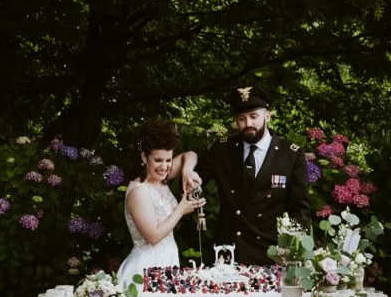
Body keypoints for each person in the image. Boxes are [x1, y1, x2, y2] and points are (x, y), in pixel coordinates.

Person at [181, 85, 310, 266]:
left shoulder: (290, 155)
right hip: (228, 252)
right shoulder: (222, 150)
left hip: (270, 252)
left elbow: (300, 209)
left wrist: (292, 248)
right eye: (242, 118)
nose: (248, 123)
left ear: (268, 116)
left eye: (254, 116)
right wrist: (188, 172)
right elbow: (197, 175)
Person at [115, 118, 206, 286]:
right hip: (146, 269)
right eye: (158, 160)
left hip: (168, 260)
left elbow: (190, 155)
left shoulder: (161, 178)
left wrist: (186, 172)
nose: (164, 167)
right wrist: (181, 209)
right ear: (144, 157)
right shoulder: (139, 191)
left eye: (169, 160)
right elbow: (153, 236)